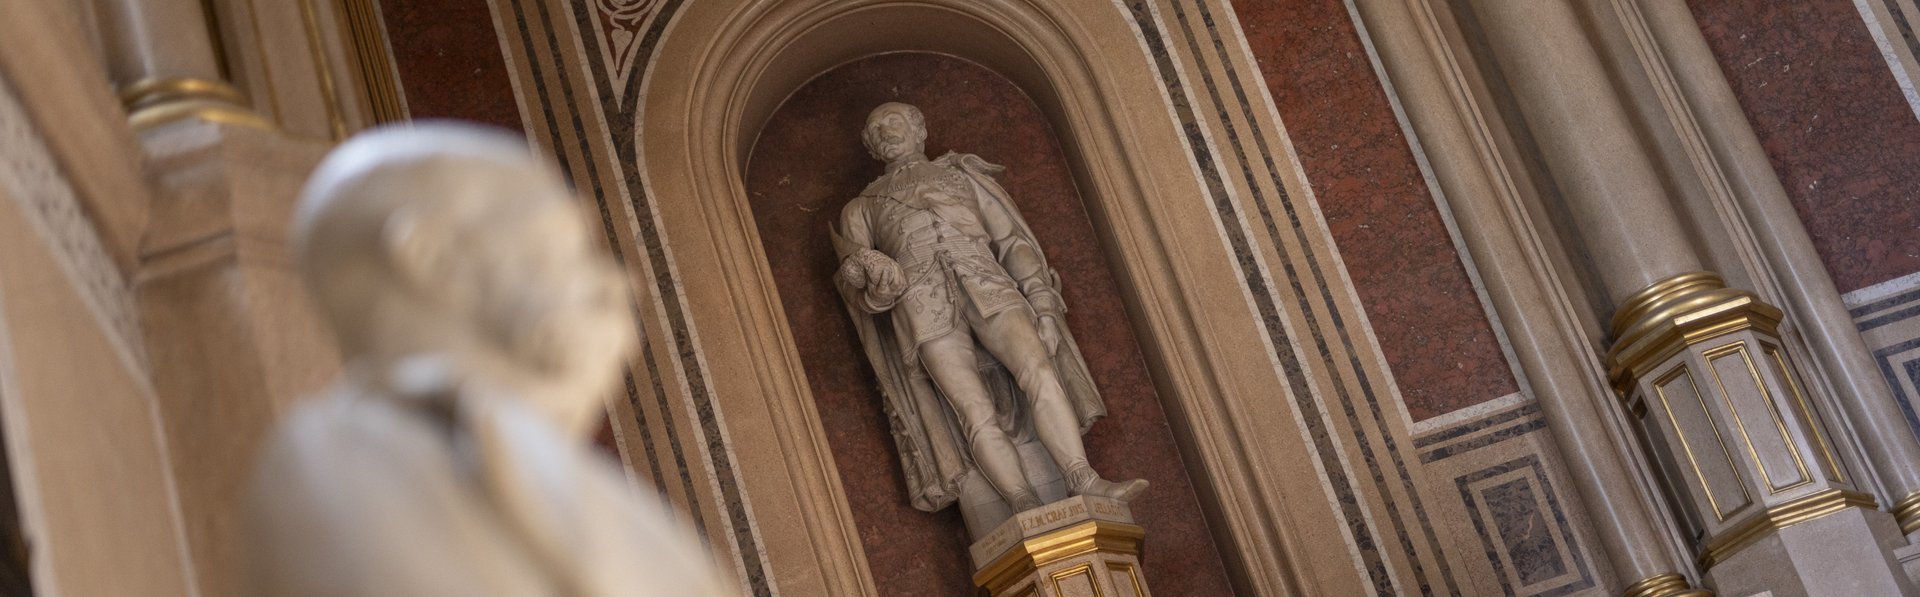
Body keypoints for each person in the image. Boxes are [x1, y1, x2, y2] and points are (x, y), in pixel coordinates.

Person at [246, 123, 735, 597]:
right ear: (436, 259)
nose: (619, 283)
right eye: (569, 243)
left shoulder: (611, 499)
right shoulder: (341, 459)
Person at [832, 103, 1147, 521]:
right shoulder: (860, 208)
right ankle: (1022, 503)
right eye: (876, 127)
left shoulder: (964, 176)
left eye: (895, 121)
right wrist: (878, 290)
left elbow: (1012, 242)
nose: (887, 131)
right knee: (973, 411)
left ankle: (1082, 478)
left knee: (1040, 371)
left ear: (919, 130)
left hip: (990, 286)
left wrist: (1044, 307)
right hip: (922, 309)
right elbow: (860, 292)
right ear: (871, 146)